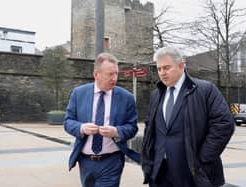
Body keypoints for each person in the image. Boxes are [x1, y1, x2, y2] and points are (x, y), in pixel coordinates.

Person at [141, 46, 234, 187]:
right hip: (160, 173)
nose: (162, 73)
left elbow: (224, 124)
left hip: (192, 174)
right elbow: (150, 129)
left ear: (181, 66)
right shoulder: (157, 94)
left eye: (166, 68)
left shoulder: (205, 90)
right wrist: (149, 161)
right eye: (159, 69)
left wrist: (202, 159)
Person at [64, 52, 140, 187]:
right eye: (110, 74)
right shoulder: (78, 93)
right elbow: (68, 122)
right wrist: (82, 128)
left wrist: (116, 131)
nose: (115, 78)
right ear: (96, 74)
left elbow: (132, 127)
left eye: (116, 73)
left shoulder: (126, 97)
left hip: (111, 161)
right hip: (85, 161)